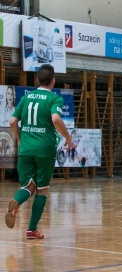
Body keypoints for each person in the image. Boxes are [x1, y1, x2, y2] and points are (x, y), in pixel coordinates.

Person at [5, 64, 73, 239]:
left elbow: (13, 121)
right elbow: (56, 118)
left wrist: (21, 139)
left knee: (28, 186)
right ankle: (31, 229)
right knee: (42, 189)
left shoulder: (26, 98)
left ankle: (17, 201)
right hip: (44, 150)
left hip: (26, 149)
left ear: (37, 79)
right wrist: (68, 137)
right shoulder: (54, 99)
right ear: (53, 81)